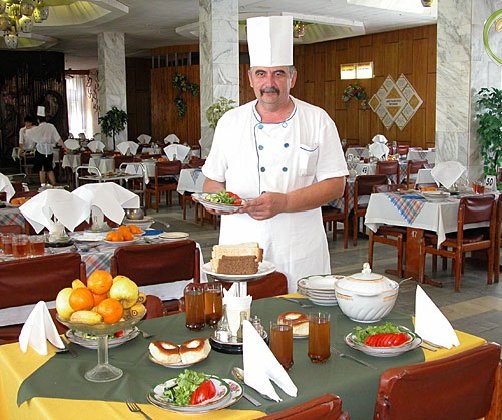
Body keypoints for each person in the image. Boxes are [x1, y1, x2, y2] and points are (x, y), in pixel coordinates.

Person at [202, 16, 348, 292]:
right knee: (241, 311)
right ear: (250, 78)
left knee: (300, 311)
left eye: (278, 73)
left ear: (293, 78)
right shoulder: (230, 122)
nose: (269, 82)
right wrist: (217, 201)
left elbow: (335, 185)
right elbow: (212, 181)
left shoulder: (317, 120)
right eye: (261, 74)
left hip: (299, 245)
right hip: (240, 243)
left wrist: (285, 202)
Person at [32, 106, 65, 186]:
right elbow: (58, 138)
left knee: (42, 169)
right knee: (49, 169)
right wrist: (64, 147)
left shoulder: (37, 128)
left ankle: (43, 185)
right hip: (49, 150)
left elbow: (33, 139)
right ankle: (54, 184)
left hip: (40, 150)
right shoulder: (51, 126)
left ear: (38, 120)